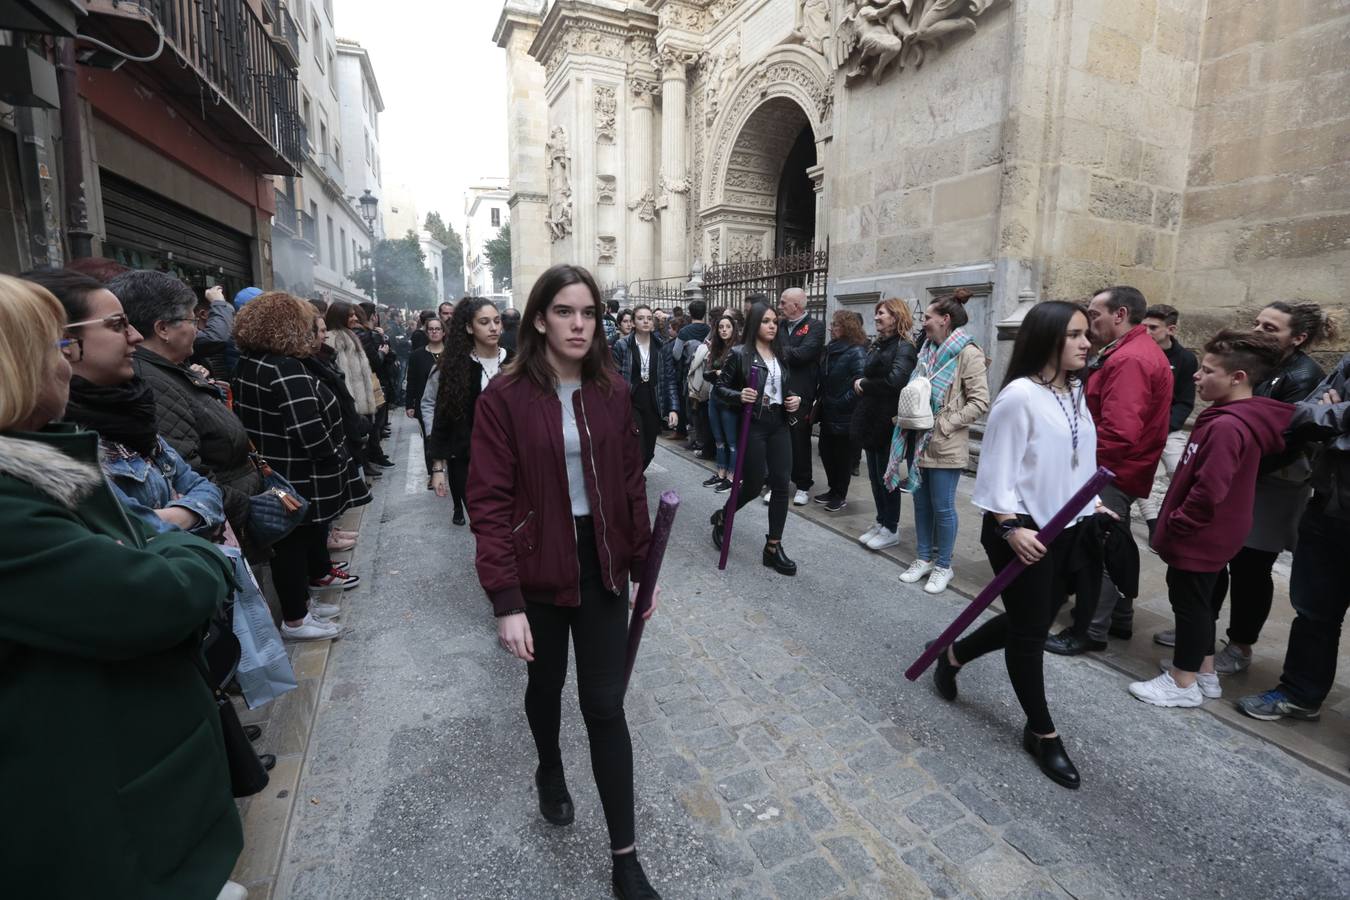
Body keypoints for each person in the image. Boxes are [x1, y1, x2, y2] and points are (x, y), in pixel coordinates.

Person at [0, 273, 246, 900]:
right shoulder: (18, 493)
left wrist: (162, 540)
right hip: (92, 809)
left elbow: (175, 509)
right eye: (55, 349)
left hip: (139, 784)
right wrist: (190, 549)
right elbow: (149, 596)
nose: (66, 366)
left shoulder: (50, 459)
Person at [467, 264, 660, 899]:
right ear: (540, 319)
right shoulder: (505, 396)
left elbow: (631, 486)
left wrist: (643, 573)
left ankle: (625, 857)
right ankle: (550, 767)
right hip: (537, 567)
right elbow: (489, 500)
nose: (579, 324)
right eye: (565, 312)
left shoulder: (613, 390)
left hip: (602, 565)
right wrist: (506, 601)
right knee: (544, 685)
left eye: (589, 313)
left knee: (604, 705)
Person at [930, 300, 1098, 789]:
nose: (1086, 343)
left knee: (1036, 617)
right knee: (1030, 633)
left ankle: (953, 655)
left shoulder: (1075, 390)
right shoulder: (1019, 396)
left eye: (1086, 334)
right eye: (1074, 335)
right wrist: (1009, 526)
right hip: (1021, 530)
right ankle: (1043, 732)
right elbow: (994, 474)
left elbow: (1076, 456)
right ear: (1046, 338)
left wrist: (1093, 504)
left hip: (1070, 525)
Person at [1154, 301, 1334, 663]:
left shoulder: (1302, 375)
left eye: (1270, 328)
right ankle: (1200, 631)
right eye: (1256, 323)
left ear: (1297, 338)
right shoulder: (1252, 360)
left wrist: (1237, 466)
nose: (1257, 331)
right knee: (1213, 560)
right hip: (1240, 473)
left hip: (1272, 482)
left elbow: (1287, 437)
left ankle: (1240, 644)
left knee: (1252, 566)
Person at [1128, 330, 1290, 708]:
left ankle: (1181, 683)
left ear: (1238, 378)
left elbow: (1209, 490)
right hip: (1212, 532)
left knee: (1190, 604)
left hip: (1202, 533)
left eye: (1207, 370)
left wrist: (1179, 524)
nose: (1197, 377)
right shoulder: (1226, 418)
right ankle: (1203, 671)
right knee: (1199, 602)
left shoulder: (1227, 426)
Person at [20, 270, 227, 539]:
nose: (135, 336)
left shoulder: (129, 408)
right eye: (117, 325)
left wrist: (173, 516)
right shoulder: (53, 436)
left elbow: (202, 486)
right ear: (62, 341)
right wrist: (186, 516)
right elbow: (125, 532)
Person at [233, 293, 369, 641]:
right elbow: (309, 432)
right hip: (300, 476)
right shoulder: (285, 368)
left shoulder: (252, 362)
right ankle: (296, 618)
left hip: (280, 472)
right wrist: (335, 456)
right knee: (292, 549)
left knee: (296, 546)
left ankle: (303, 606)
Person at [111, 269, 268, 559]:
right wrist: (242, 504)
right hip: (220, 527)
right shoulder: (150, 382)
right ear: (163, 329)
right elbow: (188, 472)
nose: (197, 328)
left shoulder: (173, 370)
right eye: (192, 320)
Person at [1055, 286, 1171, 655]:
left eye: (1095, 314)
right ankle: (1119, 614)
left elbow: (1119, 432)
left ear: (1120, 314)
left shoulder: (1130, 359)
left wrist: (1079, 465)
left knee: (1098, 548)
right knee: (1116, 540)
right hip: (1122, 468)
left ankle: (1090, 629)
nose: (1089, 323)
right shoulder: (1128, 351)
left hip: (1111, 470)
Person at [1235, 352, 1350, 723]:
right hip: (1328, 507)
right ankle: (1300, 694)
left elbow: (1318, 416)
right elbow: (1307, 408)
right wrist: (1332, 416)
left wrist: (1332, 416)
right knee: (1314, 612)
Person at [899, 289, 989, 594]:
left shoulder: (968, 352)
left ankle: (943, 566)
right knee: (921, 504)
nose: (923, 322)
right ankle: (923, 558)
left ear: (945, 319)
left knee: (943, 507)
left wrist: (945, 424)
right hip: (918, 437)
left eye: (928, 317)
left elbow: (980, 402)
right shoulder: (926, 350)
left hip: (944, 442)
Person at [710, 302, 802, 576]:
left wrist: (795, 399)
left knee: (781, 484)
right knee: (751, 486)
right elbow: (719, 390)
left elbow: (785, 387)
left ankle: (773, 547)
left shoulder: (780, 354)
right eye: (766, 321)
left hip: (779, 424)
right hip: (754, 425)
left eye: (775, 321)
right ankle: (724, 516)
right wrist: (739, 396)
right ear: (754, 325)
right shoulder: (739, 354)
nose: (773, 325)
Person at [426, 297, 510, 526]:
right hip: (470, 461)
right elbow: (443, 419)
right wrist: (438, 467)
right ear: (469, 327)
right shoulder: (456, 368)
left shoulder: (515, 362)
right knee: (484, 525)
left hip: (513, 461)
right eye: (484, 322)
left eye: (496, 320)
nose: (493, 327)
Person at [850, 298, 918, 551]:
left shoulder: (904, 347)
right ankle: (881, 521)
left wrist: (864, 384)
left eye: (882, 314)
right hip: (872, 417)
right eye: (876, 313)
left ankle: (891, 527)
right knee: (875, 476)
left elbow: (896, 381)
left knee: (887, 477)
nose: (877, 317)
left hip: (888, 420)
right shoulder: (880, 344)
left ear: (896, 316)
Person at [1132, 305, 1197, 537]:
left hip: (1168, 427)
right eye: (1144, 326)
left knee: (1179, 467)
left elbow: (1185, 400)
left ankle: (1179, 517)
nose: (1146, 332)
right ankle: (1152, 522)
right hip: (1138, 427)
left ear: (1171, 329)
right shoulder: (1135, 353)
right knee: (1138, 472)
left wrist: (1166, 427)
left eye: (1153, 327)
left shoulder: (1186, 359)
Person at [611, 304, 679, 469]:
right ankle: (632, 482)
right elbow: (614, 378)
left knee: (648, 451)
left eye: (649, 318)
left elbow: (669, 379)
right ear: (633, 323)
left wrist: (673, 409)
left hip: (653, 399)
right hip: (631, 399)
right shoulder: (622, 345)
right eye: (641, 318)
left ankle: (634, 477)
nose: (646, 322)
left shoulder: (662, 346)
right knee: (638, 449)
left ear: (653, 323)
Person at [324, 301, 386, 475]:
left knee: (363, 432)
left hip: (360, 394)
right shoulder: (334, 338)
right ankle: (359, 470)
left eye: (354, 315)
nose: (354, 318)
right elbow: (342, 373)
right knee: (355, 436)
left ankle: (364, 465)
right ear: (340, 317)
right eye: (350, 315)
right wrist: (349, 399)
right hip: (351, 396)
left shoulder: (350, 335)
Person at [814, 309, 867, 512]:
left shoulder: (857, 351)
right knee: (826, 453)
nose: (831, 327)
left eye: (835, 324)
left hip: (846, 414)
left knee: (842, 458)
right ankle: (832, 489)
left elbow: (860, 384)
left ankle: (840, 494)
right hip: (828, 411)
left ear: (846, 328)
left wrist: (839, 402)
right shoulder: (830, 349)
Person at [778, 287, 826, 506]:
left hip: (801, 394)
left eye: (782, 303)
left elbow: (804, 354)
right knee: (778, 439)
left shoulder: (815, 327)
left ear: (795, 306)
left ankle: (803, 485)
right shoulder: (778, 325)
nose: (779, 307)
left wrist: (780, 351)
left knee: (799, 440)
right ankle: (778, 483)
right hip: (778, 390)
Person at [405, 315, 446, 485]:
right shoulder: (417, 355)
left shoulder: (451, 353)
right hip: (425, 405)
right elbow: (412, 381)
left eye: (438, 329)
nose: (434, 332)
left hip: (448, 405)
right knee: (429, 439)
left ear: (443, 332)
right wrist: (410, 404)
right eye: (431, 329)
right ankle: (433, 473)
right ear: (426, 332)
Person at [703, 313, 741, 493]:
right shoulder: (715, 349)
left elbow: (737, 377)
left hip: (730, 401)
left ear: (734, 329)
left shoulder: (739, 349)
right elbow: (706, 374)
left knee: (732, 442)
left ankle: (733, 477)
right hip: (714, 398)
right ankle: (721, 473)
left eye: (727, 327)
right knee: (718, 440)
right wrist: (718, 374)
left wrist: (718, 374)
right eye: (720, 327)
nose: (724, 330)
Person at [677, 299, 711, 449]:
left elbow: (676, 354)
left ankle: (695, 439)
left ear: (690, 313)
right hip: (707, 372)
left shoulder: (684, 331)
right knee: (704, 407)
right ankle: (703, 440)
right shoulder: (710, 330)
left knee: (691, 406)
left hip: (690, 372)